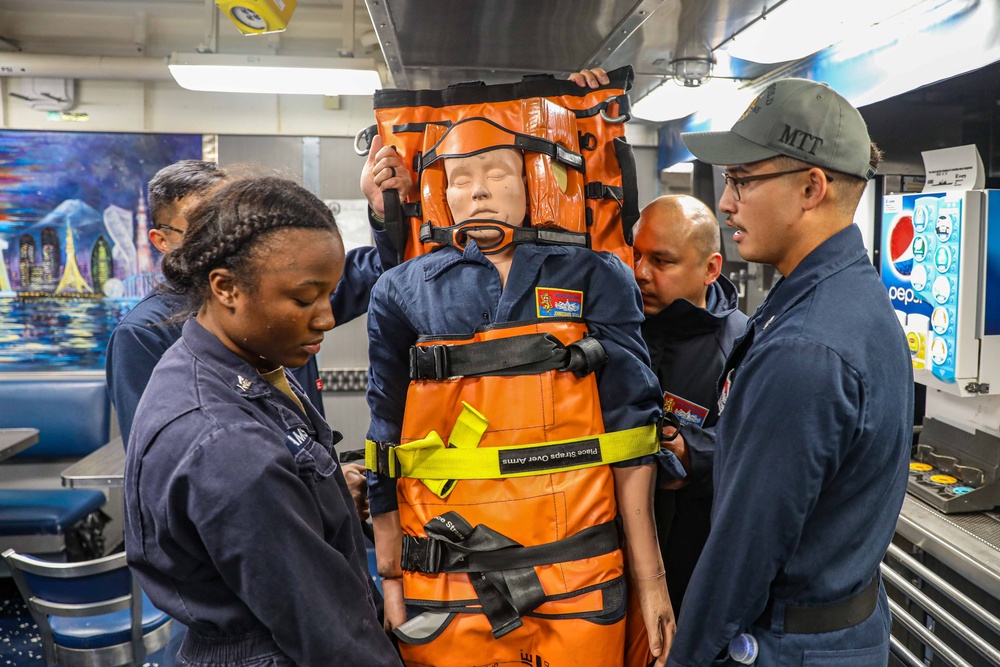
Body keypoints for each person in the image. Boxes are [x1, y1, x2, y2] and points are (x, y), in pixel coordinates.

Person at [366, 145, 679, 666]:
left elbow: (632, 429)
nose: (480, 190)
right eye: (461, 179)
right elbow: (385, 440)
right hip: (444, 582)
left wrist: (653, 582)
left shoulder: (594, 276)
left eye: (496, 174)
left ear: (534, 181)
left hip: (580, 574)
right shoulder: (401, 290)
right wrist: (392, 579)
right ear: (439, 194)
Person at [663, 78, 913, 666]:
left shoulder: (806, 347)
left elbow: (741, 555)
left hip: (787, 645)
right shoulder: (847, 297)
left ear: (811, 188)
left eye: (743, 181)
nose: (726, 203)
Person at [124, 176, 403, 667]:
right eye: (303, 300)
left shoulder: (245, 364)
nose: (325, 318)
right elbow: (323, 630)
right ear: (226, 287)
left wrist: (329, 491)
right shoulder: (224, 442)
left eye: (329, 296)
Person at [107, 146, 409, 449]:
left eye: (231, 220)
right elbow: (162, 453)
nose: (323, 318)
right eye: (203, 225)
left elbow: (392, 274)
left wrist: (386, 214)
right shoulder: (144, 333)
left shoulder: (283, 299)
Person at [631, 195, 749, 615]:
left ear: (711, 269)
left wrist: (692, 451)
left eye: (661, 262)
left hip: (693, 571)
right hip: (609, 567)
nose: (641, 273)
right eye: (637, 254)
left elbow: (763, 453)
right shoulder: (615, 329)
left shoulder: (743, 346)